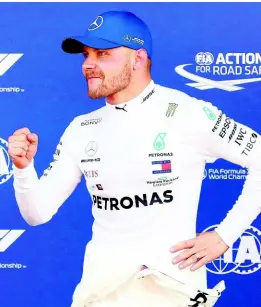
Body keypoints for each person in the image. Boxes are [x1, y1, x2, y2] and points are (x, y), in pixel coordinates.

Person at [8, 10, 261, 307]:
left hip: (172, 295)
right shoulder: (81, 128)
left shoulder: (188, 112)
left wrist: (224, 236)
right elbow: (36, 213)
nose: (89, 65)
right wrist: (24, 169)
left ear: (138, 59)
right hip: (99, 295)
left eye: (102, 54)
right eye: (86, 55)